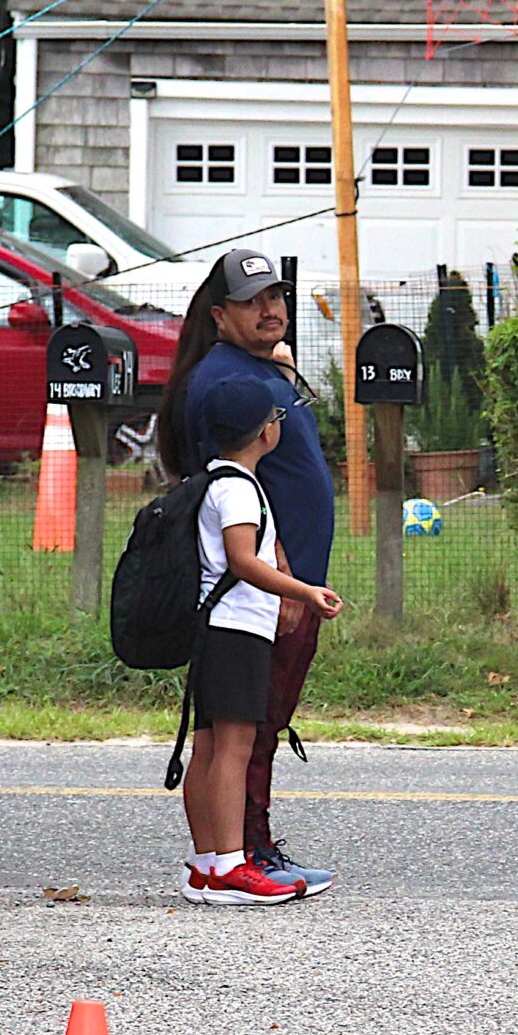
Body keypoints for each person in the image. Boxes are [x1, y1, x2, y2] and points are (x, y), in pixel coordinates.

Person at [162, 249, 338, 897]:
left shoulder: (257, 371)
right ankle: (246, 853)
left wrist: (281, 371)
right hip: (261, 592)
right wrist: (283, 580)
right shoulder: (225, 387)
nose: (270, 309)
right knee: (248, 729)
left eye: (276, 297)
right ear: (219, 315)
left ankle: (226, 856)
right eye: (251, 301)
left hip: (275, 587)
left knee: (245, 727)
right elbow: (233, 489)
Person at [178, 380, 345, 905]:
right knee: (232, 747)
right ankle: (230, 865)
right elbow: (243, 560)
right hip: (236, 629)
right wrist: (306, 592)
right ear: (267, 431)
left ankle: (206, 864)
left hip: (213, 629)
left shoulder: (211, 479)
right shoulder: (240, 488)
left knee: (207, 747)